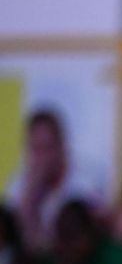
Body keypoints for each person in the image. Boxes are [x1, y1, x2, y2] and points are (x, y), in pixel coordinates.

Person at [7, 108, 102, 255]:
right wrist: (29, 197)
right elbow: (11, 238)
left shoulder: (84, 183)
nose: (42, 158)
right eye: (36, 149)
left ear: (61, 146)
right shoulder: (20, 184)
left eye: (47, 148)